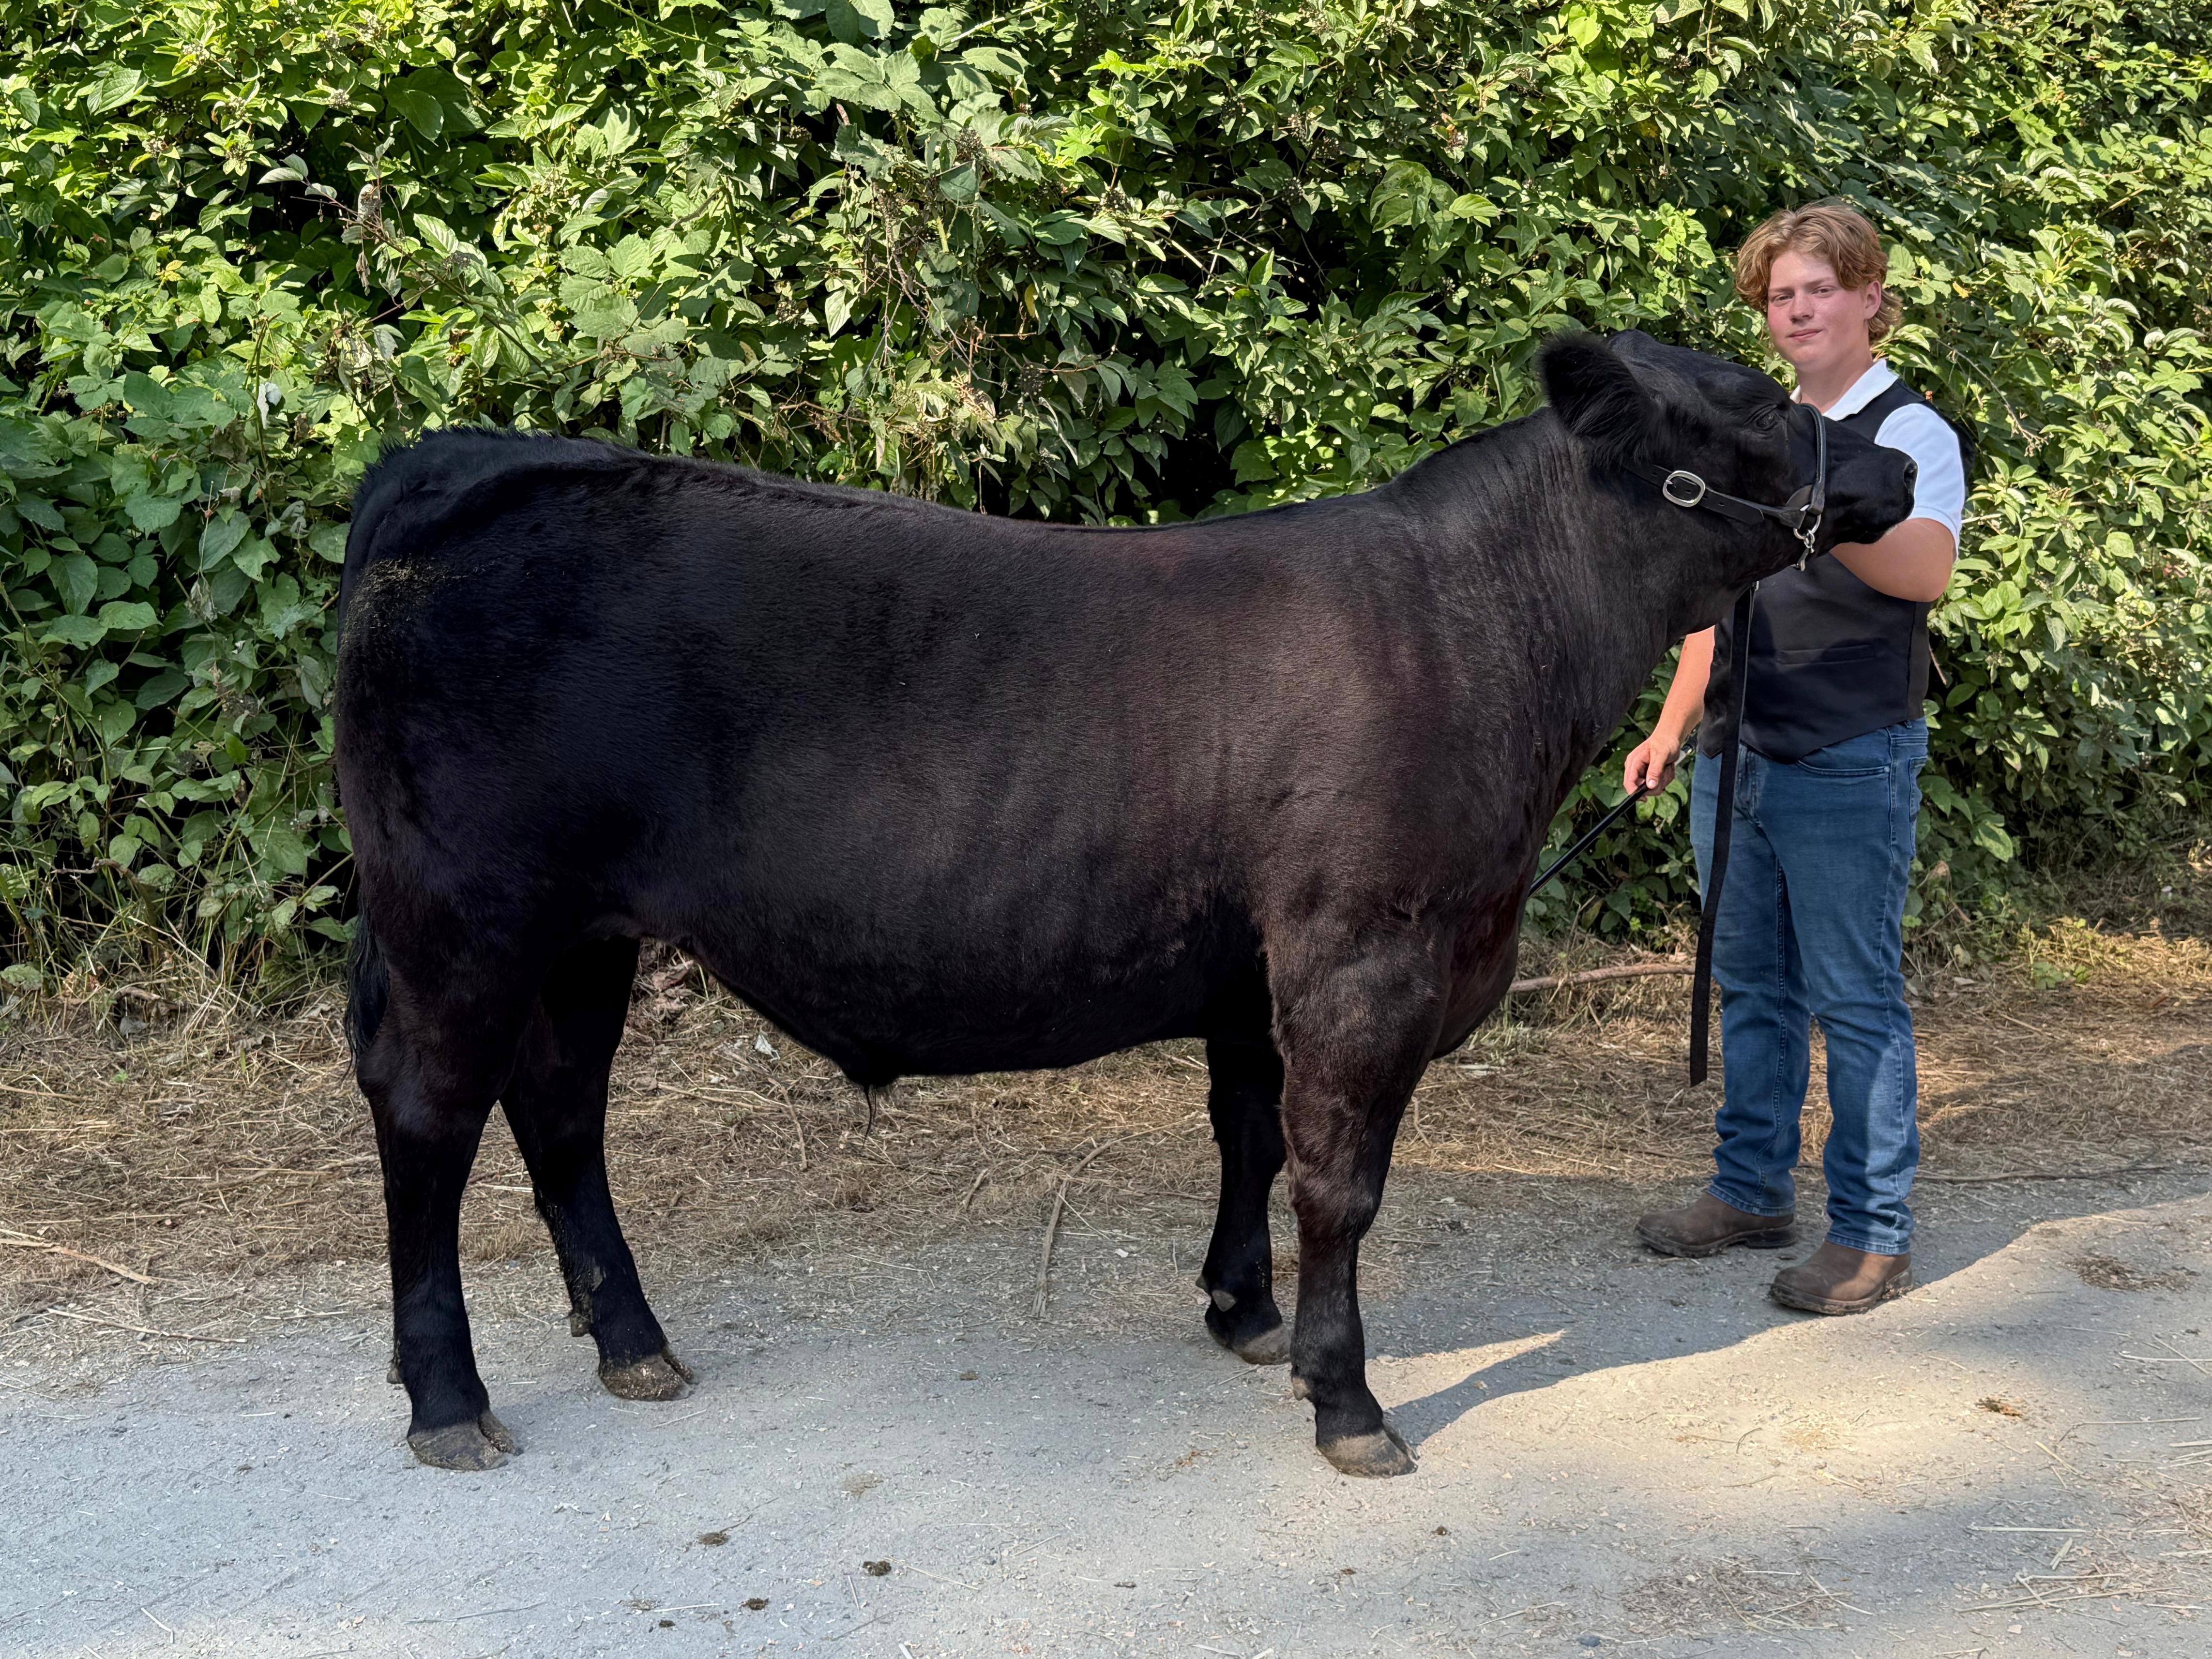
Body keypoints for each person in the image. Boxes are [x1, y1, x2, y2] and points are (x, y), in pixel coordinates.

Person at [1623, 200, 1971, 1314]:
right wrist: (1671, 726)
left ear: (1869, 297)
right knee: (1752, 987)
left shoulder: (1908, 432)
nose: (1798, 309)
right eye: (1781, 294)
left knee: (1852, 997)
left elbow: (1924, 572)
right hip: (1735, 755)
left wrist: (1818, 509)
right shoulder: (1756, 431)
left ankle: (1870, 1232)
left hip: (1847, 753)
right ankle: (1749, 1189)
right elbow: (1712, 601)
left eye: (1819, 288)